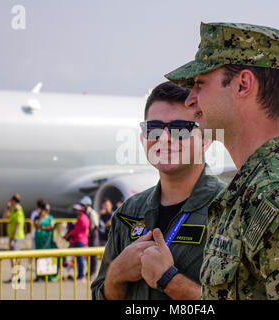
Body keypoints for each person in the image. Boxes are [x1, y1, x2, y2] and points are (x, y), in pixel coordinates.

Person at [165, 22, 279, 300]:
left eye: (199, 84)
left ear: (243, 85)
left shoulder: (277, 191)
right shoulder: (254, 184)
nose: (190, 100)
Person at [92, 81, 225, 300]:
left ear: (206, 139)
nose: (164, 139)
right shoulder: (129, 213)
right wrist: (115, 276)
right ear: (143, 137)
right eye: (153, 128)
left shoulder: (232, 210)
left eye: (180, 129)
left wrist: (169, 281)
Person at [64, 203, 90, 282]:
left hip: (79, 240)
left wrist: (67, 235)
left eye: (78, 210)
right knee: (79, 259)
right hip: (81, 240)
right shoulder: (84, 218)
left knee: (80, 259)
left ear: (81, 210)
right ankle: (80, 276)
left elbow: (75, 231)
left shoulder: (82, 219)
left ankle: (81, 276)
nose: (76, 211)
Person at [80, 196, 100, 278]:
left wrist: (89, 233)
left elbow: (95, 225)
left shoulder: (92, 213)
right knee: (89, 255)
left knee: (93, 255)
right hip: (89, 235)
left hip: (93, 235)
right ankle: (89, 271)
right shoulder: (86, 213)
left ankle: (93, 273)